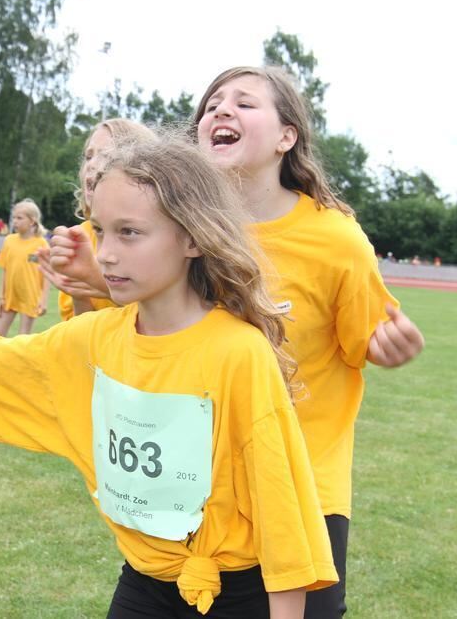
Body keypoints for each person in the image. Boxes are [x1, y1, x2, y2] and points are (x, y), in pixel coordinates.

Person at [0, 137, 338, 618]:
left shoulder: (238, 354)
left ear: (193, 238)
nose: (105, 253)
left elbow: (281, 510)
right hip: (145, 583)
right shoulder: (98, 337)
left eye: (130, 233)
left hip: (238, 594)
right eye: (102, 231)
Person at [46, 67, 425, 618]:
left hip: (302, 488)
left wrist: (385, 345)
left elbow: (364, 338)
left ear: (286, 137)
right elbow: (114, 347)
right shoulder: (168, 227)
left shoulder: (336, 240)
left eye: (244, 104)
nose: (219, 111)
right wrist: (94, 284)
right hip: (198, 491)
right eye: (211, 104)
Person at [39, 119, 156, 321]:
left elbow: (165, 315)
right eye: (88, 156)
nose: (92, 165)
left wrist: (96, 281)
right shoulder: (81, 237)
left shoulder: (158, 233)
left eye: (106, 155)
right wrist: (78, 292)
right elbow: (83, 339)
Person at [0, 199, 51, 336]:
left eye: (19, 218)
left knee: (23, 338)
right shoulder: (9, 241)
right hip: (10, 296)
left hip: (30, 297)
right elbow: (5, 270)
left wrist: (43, 300)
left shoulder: (41, 244)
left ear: (32, 221)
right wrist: (1, 296)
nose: (15, 221)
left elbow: (47, 274)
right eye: (14, 218)